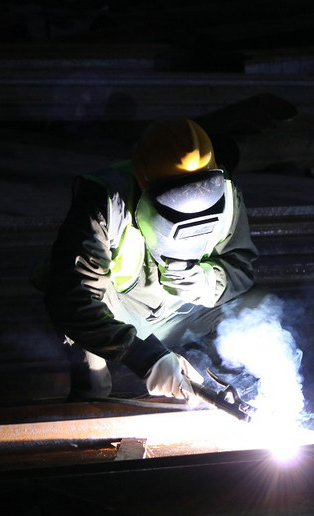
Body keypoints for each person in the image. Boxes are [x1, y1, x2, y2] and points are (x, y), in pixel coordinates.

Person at [41, 117, 260, 400]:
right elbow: (74, 299)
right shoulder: (105, 200)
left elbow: (240, 266)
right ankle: (90, 411)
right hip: (118, 313)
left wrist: (208, 281)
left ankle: (240, 393)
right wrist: (143, 356)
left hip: (180, 311)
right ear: (142, 181)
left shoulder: (226, 194)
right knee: (94, 386)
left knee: (258, 307)